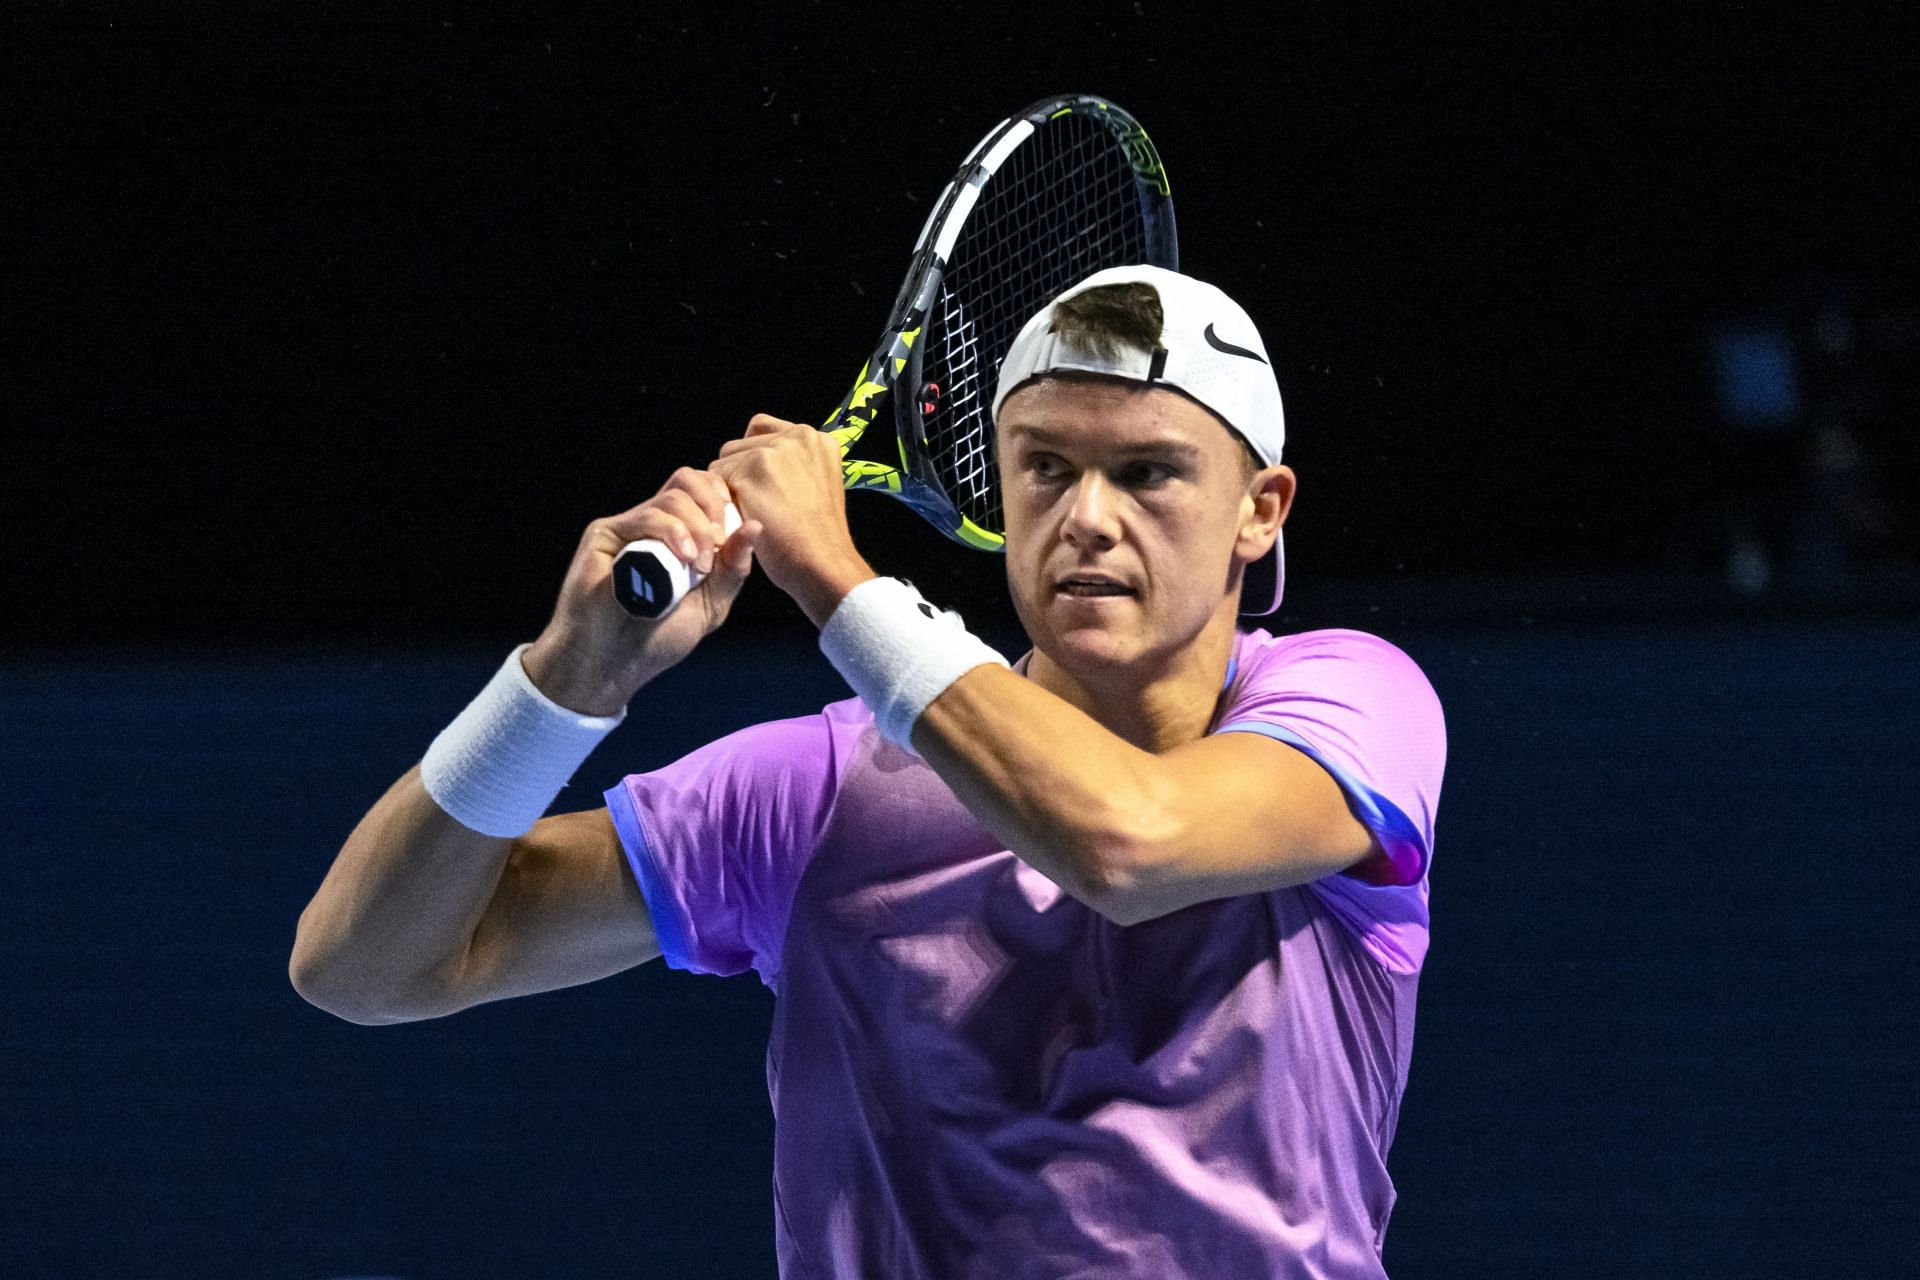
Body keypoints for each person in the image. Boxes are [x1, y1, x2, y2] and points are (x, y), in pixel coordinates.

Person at [291, 264, 1447, 1278]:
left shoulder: (1351, 704)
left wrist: (833, 579)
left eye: (1148, 473)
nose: (1088, 517)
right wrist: (567, 677)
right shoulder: (815, 792)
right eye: (1046, 466)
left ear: (1261, 509)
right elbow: (362, 967)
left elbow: (1128, 842)